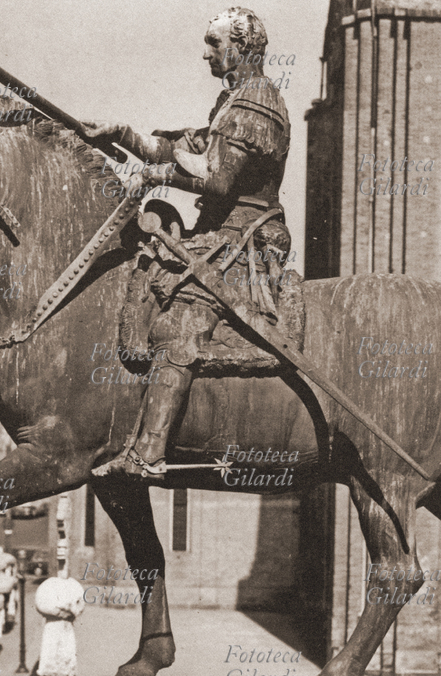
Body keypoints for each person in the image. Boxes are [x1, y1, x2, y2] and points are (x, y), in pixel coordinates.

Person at [85, 6, 291, 479]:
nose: (206, 54)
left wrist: (157, 175)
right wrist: (123, 135)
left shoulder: (256, 103)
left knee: (181, 321)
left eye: (214, 44)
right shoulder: (234, 100)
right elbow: (187, 148)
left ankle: (149, 453)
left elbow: (217, 181)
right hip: (223, 234)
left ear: (242, 46)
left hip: (246, 239)